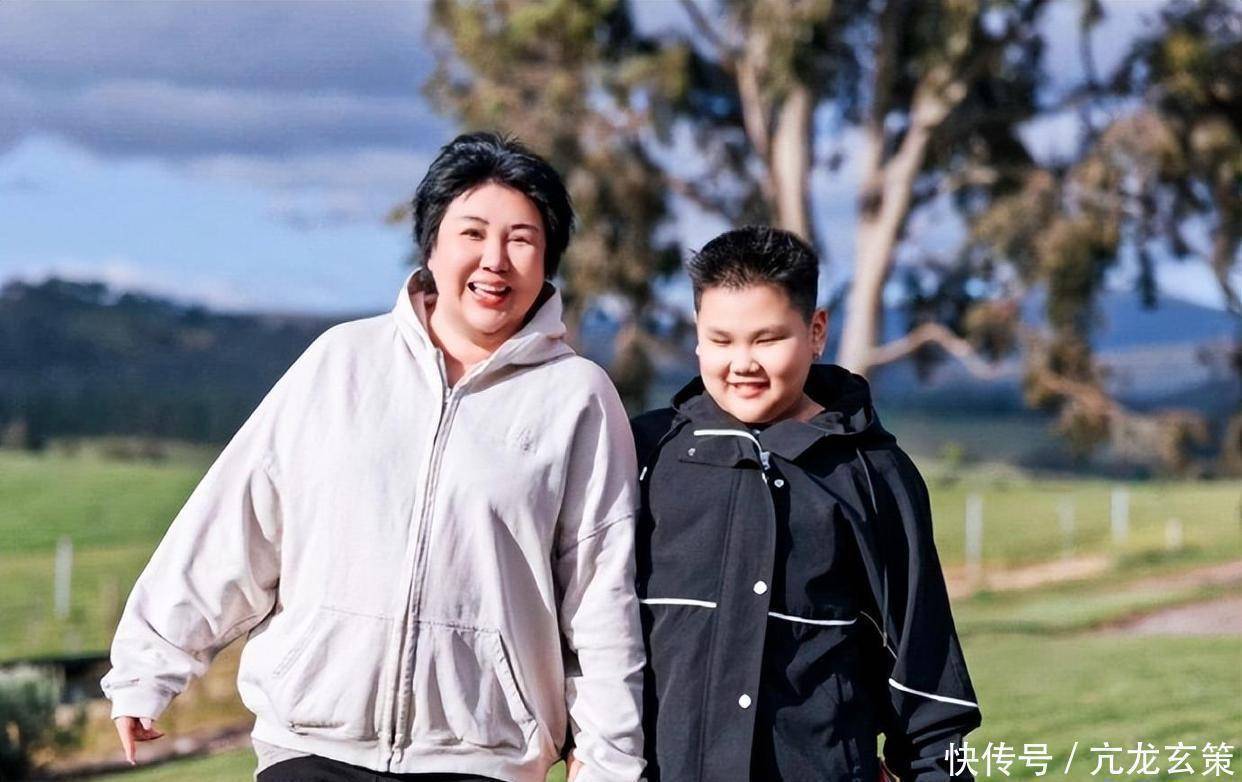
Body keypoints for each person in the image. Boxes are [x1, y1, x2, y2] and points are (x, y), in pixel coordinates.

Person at [103, 132, 646, 782]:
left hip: (482, 761)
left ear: (548, 258)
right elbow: (237, 523)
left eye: (521, 239)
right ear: (431, 245)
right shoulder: (341, 363)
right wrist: (148, 668)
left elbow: (600, 596)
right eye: (472, 233)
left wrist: (610, 761)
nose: (495, 260)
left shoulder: (577, 398)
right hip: (310, 747)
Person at [631, 227, 981, 781]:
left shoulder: (875, 476)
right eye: (720, 340)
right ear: (697, 336)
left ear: (816, 331)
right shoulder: (644, 455)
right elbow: (592, 635)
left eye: (766, 340)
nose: (742, 363)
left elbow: (927, 680)